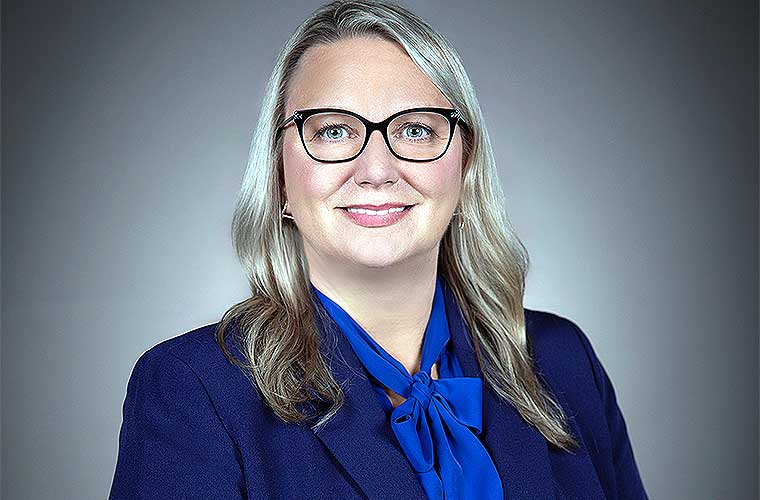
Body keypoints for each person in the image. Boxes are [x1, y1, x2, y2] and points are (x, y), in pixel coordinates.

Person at [108, 1, 649, 499]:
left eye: (414, 130)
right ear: (278, 176)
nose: (376, 170)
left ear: (464, 167)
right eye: (334, 131)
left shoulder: (562, 358)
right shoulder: (192, 391)